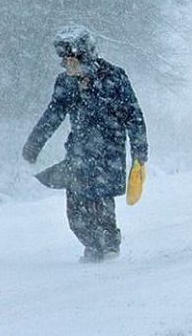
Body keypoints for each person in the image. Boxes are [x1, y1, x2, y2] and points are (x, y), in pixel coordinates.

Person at [22, 25, 148, 263]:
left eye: (72, 60)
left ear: (86, 56)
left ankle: (109, 246)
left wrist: (139, 153)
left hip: (109, 152)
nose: (67, 66)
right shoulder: (65, 83)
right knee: (76, 210)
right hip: (78, 152)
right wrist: (34, 143)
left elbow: (134, 116)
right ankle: (92, 245)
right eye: (64, 61)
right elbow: (53, 114)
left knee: (100, 201)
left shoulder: (115, 78)